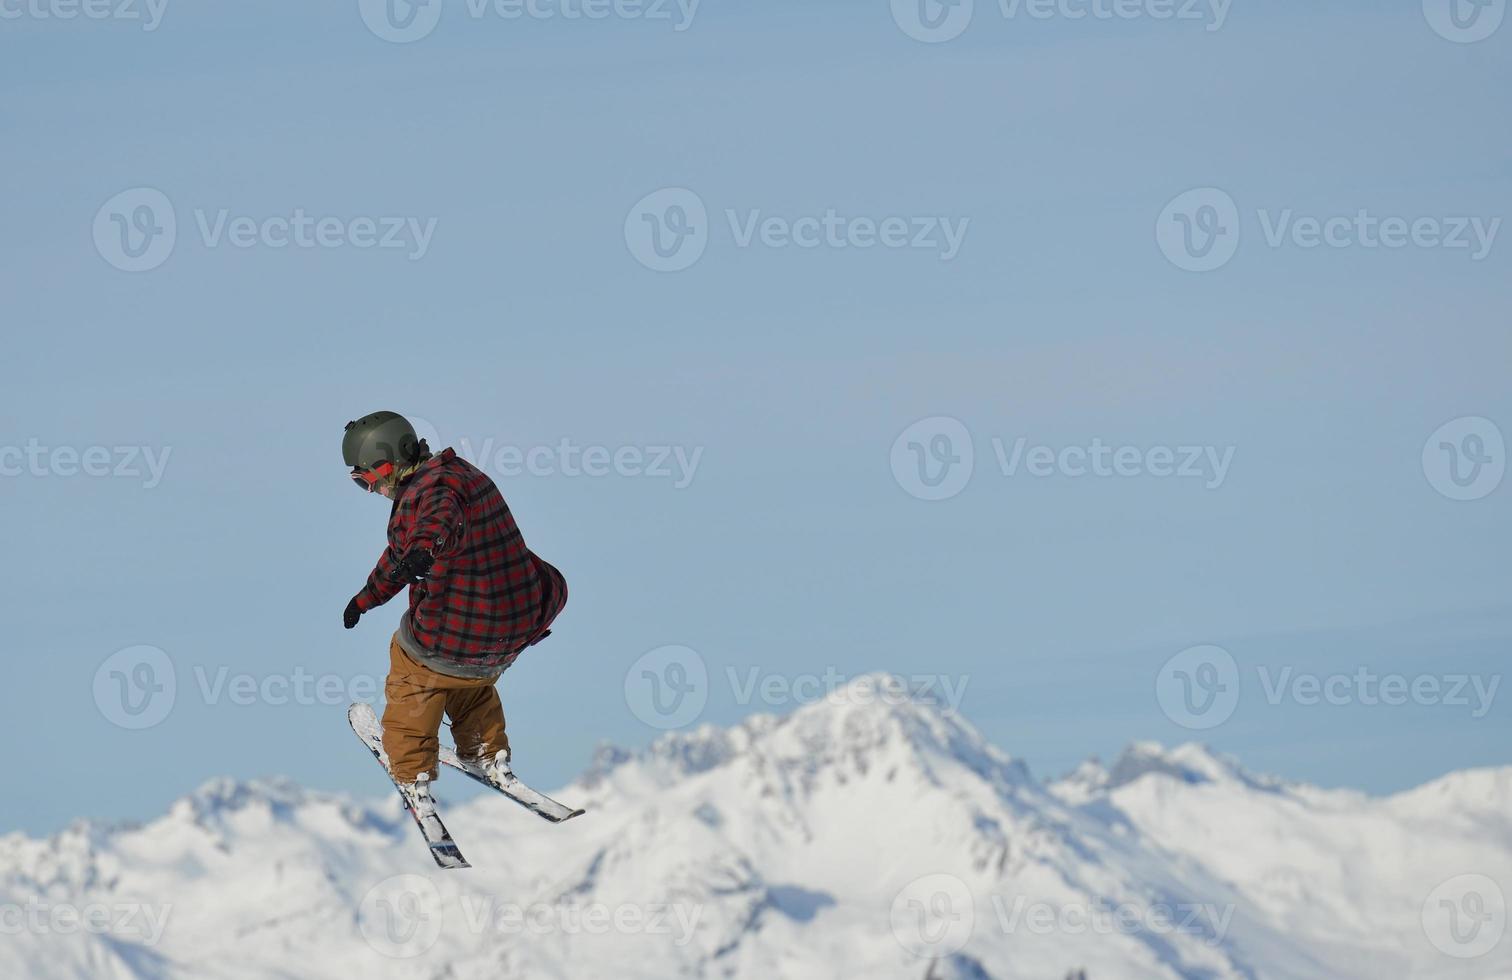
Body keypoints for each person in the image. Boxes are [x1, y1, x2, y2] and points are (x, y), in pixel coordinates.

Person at [341, 411, 566, 809]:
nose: (370, 490)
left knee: (413, 664)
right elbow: (400, 557)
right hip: (516, 622)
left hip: (467, 628)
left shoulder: (432, 493)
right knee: (466, 676)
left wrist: (424, 551)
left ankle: (411, 768)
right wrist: (364, 599)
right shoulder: (462, 474)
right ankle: (484, 748)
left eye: (364, 480)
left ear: (386, 465)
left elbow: (436, 521)